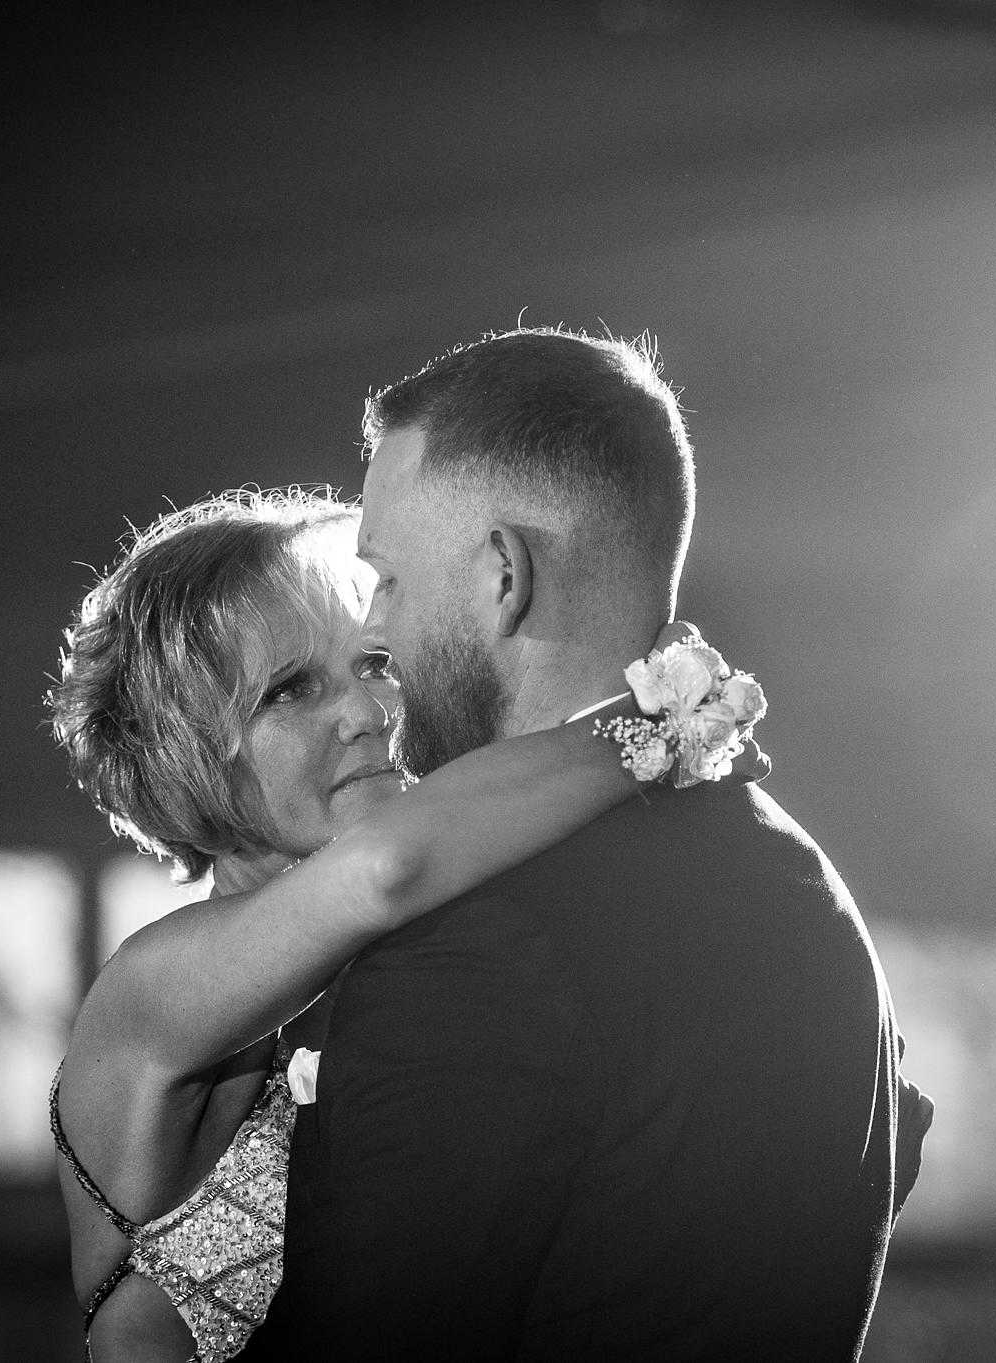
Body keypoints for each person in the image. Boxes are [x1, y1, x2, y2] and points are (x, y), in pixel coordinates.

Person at [245, 329, 930, 1362]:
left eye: (384, 578)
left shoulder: (480, 941)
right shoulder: (805, 888)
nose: (372, 632)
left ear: (502, 576)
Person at [45, 487, 763, 1362]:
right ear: (181, 751)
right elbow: (390, 866)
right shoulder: (150, 989)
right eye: (290, 690)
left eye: (375, 664)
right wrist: (665, 720)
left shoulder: (416, 957)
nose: (368, 713)